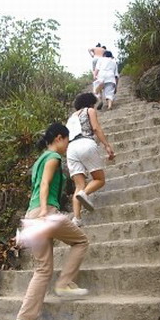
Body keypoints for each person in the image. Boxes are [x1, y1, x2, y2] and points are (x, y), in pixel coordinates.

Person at [15, 123, 89, 320]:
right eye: (67, 141)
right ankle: (64, 283)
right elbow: (46, 184)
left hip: (31, 214)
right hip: (45, 212)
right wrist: (46, 211)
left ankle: (26, 317)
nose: (67, 146)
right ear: (59, 138)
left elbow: (37, 186)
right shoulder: (53, 158)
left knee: (43, 269)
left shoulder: (38, 161)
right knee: (81, 241)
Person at [66, 93, 115, 227]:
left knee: (79, 185)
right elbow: (95, 128)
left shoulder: (71, 117)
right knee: (99, 180)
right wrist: (107, 145)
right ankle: (84, 193)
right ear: (90, 103)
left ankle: (77, 219)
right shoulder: (90, 110)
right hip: (85, 143)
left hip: (71, 149)